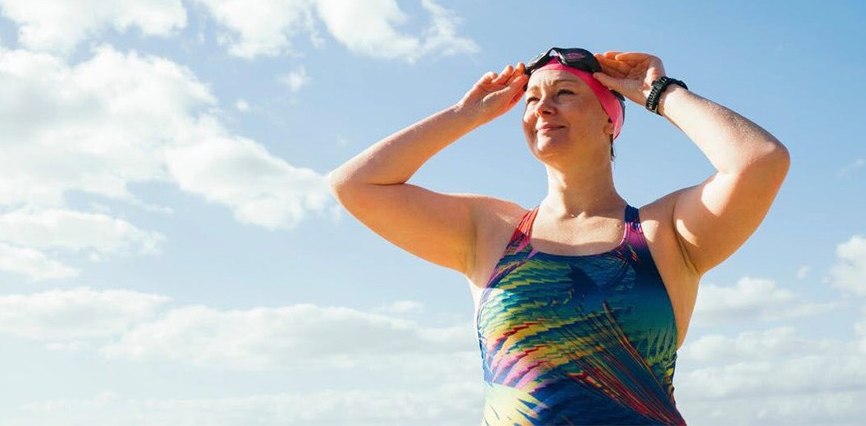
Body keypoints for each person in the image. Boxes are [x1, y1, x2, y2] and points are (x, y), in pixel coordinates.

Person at [329, 47, 790, 425]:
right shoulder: (489, 231)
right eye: (530, 99)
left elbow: (760, 159)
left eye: (565, 93)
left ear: (611, 119)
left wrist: (658, 93)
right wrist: (465, 114)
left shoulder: (662, 231)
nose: (542, 108)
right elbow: (354, 184)